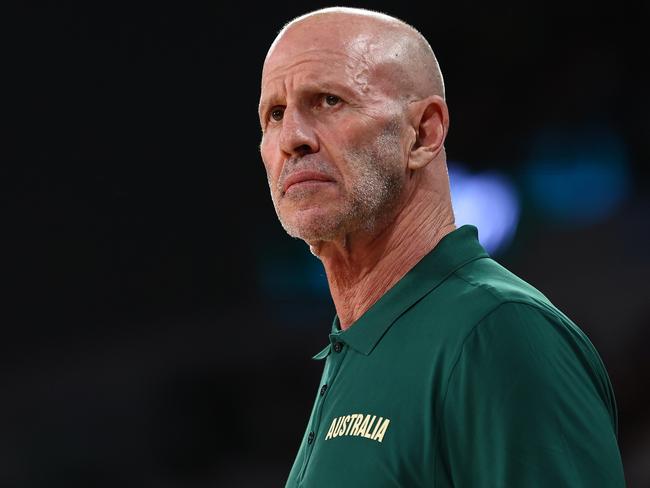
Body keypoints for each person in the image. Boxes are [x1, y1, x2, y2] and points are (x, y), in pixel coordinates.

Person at [258, 7, 626, 487]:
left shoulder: (497, 332)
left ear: (425, 132)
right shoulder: (359, 346)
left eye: (329, 101)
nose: (293, 139)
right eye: (276, 114)